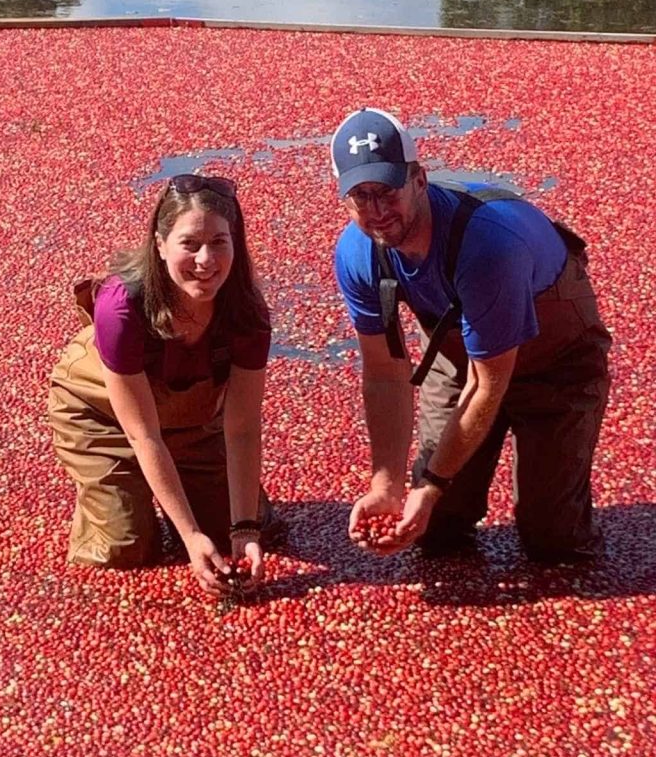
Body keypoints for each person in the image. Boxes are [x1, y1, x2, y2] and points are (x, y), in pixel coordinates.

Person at [330, 107, 611, 564]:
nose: (378, 211)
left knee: (552, 541)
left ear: (419, 179)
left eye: (387, 191)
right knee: (434, 528)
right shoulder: (358, 254)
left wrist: (433, 484)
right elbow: (384, 373)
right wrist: (387, 483)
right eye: (361, 197)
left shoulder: (487, 245)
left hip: (555, 363)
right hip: (461, 354)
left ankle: (557, 501)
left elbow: (489, 385)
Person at [48, 173, 281, 594]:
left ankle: (182, 499)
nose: (205, 260)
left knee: (246, 527)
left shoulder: (247, 314)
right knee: (126, 548)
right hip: (102, 418)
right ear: (160, 245)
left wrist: (245, 528)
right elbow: (142, 434)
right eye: (189, 243)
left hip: (188, 423)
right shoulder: (122, 308)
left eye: (219, 243)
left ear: (236, 244)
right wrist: (190, 537)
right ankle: (112, 489)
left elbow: (243, 428)